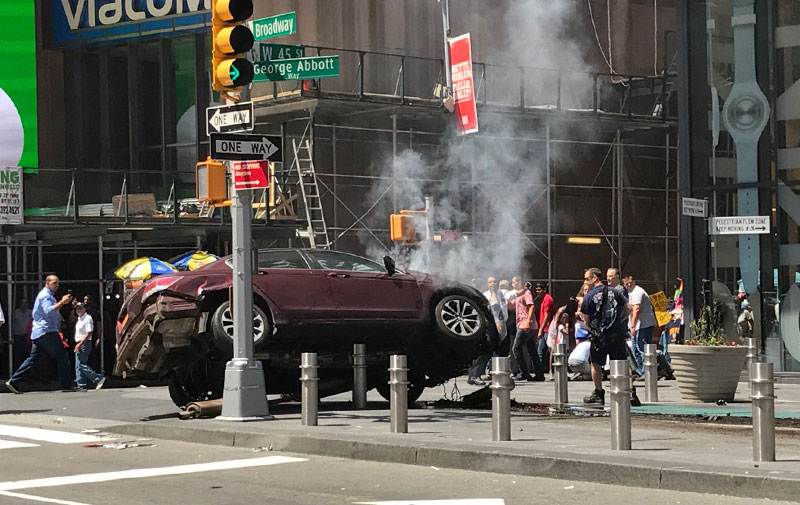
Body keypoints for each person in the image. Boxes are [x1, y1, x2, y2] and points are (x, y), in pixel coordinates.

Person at [5, 275, 75, 393]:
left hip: (39, 333)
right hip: (47, 331)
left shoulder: (48, 296)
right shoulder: (45, 296)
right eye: (54, 283)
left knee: (33, 359)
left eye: (58, 283)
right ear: (47, 283)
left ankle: (14, 381)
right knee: (62, 356)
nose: (57, 285)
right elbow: (49, 311)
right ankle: (67, 385)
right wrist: (62, 302)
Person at [580, 267, 630, 405]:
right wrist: (619, 322)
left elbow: (586, 319)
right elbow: (628, 308)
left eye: (587, 279)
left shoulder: (588, 296)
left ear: (595, 278)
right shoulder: (615, 292)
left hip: (599, 336)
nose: (585, 282)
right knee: (620, 363)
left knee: (596, 364)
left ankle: (598, 392)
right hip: (616, 334)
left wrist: (592, 327)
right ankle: (626, 391)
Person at [468, 277, 507, 386]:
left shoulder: (500, 294)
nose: (493, 283)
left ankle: (476, 374)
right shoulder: (486, 295)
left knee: (492, 350)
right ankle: (475, 375)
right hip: (490, 325)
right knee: (485, 350)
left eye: (494, 281)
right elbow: (491, 309)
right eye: (490, 282)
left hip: (501, 325)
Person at [623, 275, 657, 378]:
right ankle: (640, 371)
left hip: (643, 325)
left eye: (630, 282)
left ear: (633, 282)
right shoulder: (631, 293)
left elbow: (636, 309)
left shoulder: (637, 292)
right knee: (635, 349)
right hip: (639, 325)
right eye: (626, 283)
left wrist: (633, 326)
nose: (629, 285)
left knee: (642, 348)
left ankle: (646, 372)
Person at [511, 279, 544, 381]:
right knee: (532, 350)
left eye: (514, 282)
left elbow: (531, 307)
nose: (513, 284)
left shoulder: (527, 293)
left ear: (519, 283)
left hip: (525, 324)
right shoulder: (518, 295)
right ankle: (539, 374)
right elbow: (513, 305)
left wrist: (528, 321)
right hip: (525, 324)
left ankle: (524, 372)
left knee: (516, 348)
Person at [73, 302, 105, 391]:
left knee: (81, 364)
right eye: (77, 308)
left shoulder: (87, 318)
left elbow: (89, 332)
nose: (78, 310)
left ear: (84, 308)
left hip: (84, 343)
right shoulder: (80, 319)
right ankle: (81, 384)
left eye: (80, 308)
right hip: (79, 342)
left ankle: (97, 378)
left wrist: (80, 344)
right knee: (78, 365)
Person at [534, 282, 555, 376]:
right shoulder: (545, 299)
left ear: (544, 290)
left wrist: (540, 329)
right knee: (543, 350)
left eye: (539, 290)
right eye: (536, 290)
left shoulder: (547, 299)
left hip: (547, 329)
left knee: (543, 350)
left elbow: (547, 316)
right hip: (545, 328)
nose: (537, 292)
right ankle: (542, 370)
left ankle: (541, 371)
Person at [12, 298, 31, 370]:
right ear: (20, 304)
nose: (24, 304)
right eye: (22, 303)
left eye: (25, 303)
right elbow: (12, 324)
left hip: (27, 336)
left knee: (27, 355)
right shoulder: (15, 312)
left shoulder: (30, 312)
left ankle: (27, 372)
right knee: (18, 355)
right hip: (18, 337)